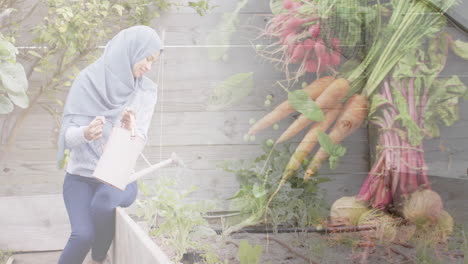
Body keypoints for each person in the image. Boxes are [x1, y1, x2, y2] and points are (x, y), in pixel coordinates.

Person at [56, 25, 163, 264]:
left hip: (119, 178)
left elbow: (140, 140)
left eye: (153, 62)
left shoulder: (146, 91)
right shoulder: (87, 81)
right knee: (82, 235)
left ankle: (98, 258)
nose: (148, 66)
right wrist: (85, 133)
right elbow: (68, 138)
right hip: (80, 177)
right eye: (147, 58)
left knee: (102, 202)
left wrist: (129, 129)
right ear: (129, 51)